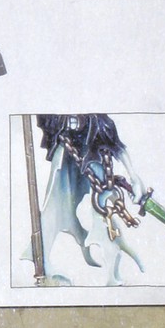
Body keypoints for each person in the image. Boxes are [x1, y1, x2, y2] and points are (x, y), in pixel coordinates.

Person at [32, 114, 146, 285]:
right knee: (54, 207)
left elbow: (114, 142)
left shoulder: (98, 122)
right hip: (66, 154)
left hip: (93, 154)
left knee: (103, 209)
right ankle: (45, 265)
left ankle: (112, 273)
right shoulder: (56, 120)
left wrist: (134, 177)